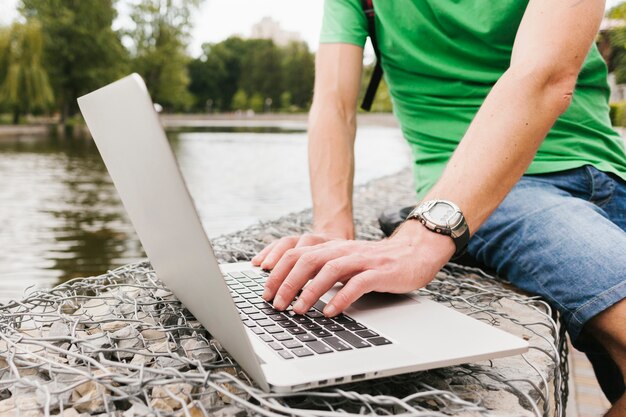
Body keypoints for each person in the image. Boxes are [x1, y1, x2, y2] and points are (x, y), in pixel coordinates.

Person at [251, 0, 626, 412]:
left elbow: (548, 73)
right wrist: (333, 230)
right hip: (495, 188)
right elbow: (334, 106)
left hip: (610, 169)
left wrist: (418, 240)